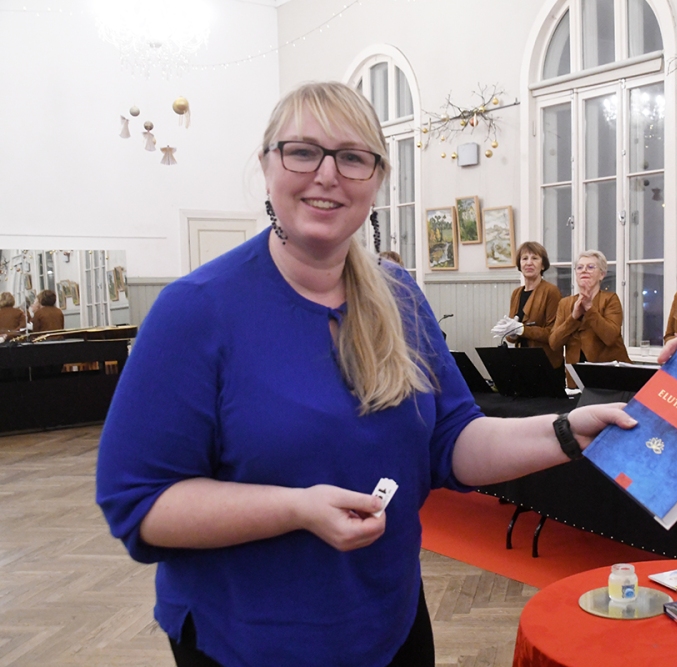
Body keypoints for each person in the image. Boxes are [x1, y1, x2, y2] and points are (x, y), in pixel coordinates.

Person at [95, 82, 635, 667]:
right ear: (267, 165)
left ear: (376, 180)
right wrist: (297, 508)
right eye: (303, 151)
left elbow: (454, 439)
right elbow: (141, 502)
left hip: (391, 624)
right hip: (250, 641)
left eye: (352, 157)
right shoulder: (195, 311)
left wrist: (568, 430)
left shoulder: (398, 295)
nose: (327, 174)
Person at [549, 250, 631, 378]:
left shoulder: (610, 299)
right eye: (580, 267)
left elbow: (610, 337)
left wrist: (589, 308)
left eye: (591, 267)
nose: (584, 270)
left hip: (608, 375)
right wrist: (573, 317)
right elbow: (554, 343)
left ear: (602, 275)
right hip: (576, 377)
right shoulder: (565, 303)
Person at [490, 241, 563, 369]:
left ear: (543, 265)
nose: (529, 263)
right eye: (524, 258)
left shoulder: (551, 291)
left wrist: (521, 329)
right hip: (522, 361)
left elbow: (553, 334)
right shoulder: (516, 293)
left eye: (535, 258)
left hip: (547, 364)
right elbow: (512, 339)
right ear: (520, 264)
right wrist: (510, 332)